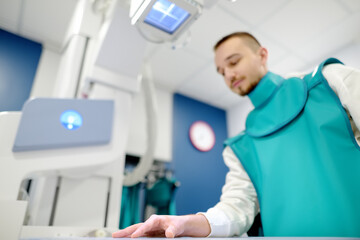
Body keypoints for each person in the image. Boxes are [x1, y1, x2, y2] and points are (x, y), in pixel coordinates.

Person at [113, 32, 360, 238]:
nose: (228, 75)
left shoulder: (329, 82)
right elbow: (236, 208)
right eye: (221, 72)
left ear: (262, 55)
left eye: (233, 62)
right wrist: (185, 223)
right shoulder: (239, 146)